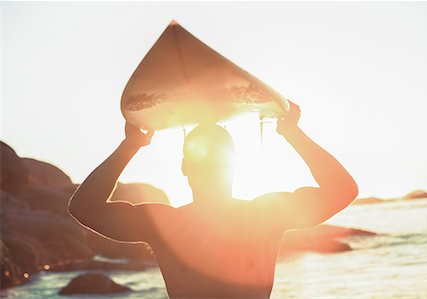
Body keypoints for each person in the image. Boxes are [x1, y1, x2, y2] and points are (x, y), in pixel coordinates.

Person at [68, 100, 358, 299]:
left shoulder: (264, 216)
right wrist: (129, 146)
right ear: (184, 167)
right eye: (202, 159)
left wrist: (294, 133)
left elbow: (343, 190)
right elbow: (83, 208)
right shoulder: (167, 224)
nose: (209, 166)